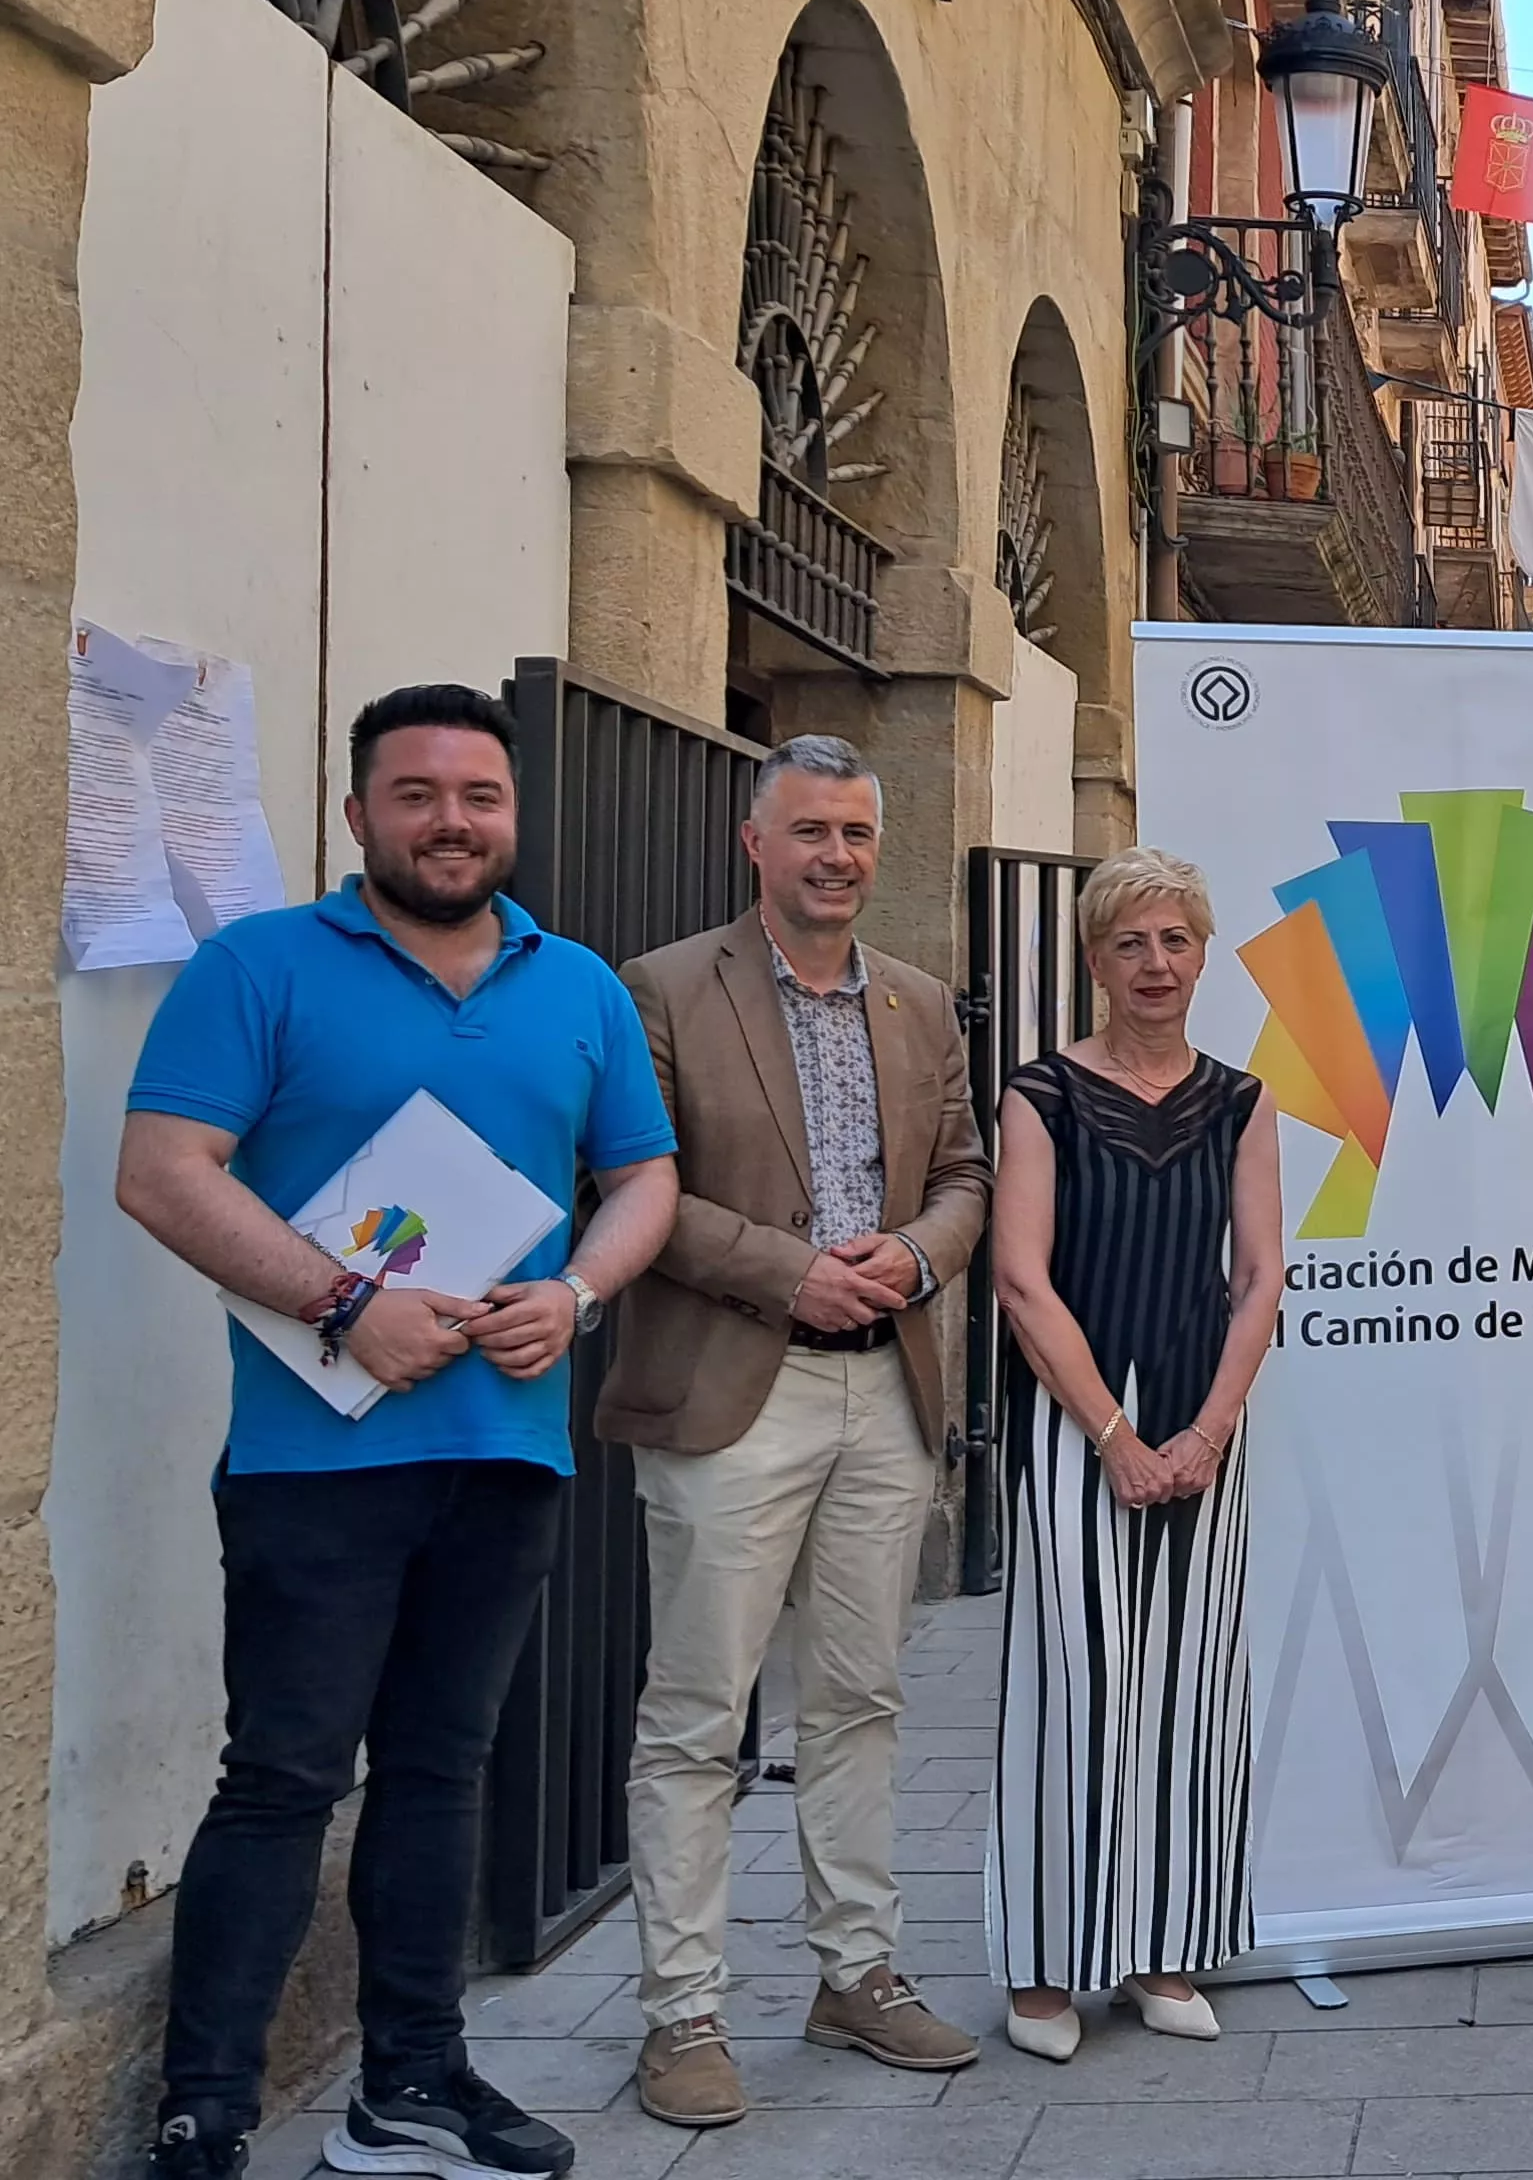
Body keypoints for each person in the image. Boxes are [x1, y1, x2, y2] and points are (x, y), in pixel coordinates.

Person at [118, 685, 682, 2180]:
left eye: (479, 797)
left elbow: (642, 1180)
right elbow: (164, 1170)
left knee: (442, 1770)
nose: (452, 821)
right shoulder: (260, 966)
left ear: (513, 815)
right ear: (359, 811)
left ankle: (412, 2085)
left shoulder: (581, 989)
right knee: (285, 1776)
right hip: (316, 1458)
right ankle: (207, 2107)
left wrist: (573, 1290)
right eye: (418, 794)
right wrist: (342, 1300)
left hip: (507, 1447)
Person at [604, 736, 990, 2127]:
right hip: (731, 1388)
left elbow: (962, 1170)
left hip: (884, 1385)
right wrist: (790, 1269)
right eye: (811, 831)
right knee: (700, 1714)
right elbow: (632, 1180)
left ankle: (856, 1973)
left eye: (858, 835)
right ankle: (683, 2011)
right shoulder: (660, 988)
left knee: (861, 1697)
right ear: (754, 841)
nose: (839, 857)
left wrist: (921, 1255)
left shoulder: (920, 1003)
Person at [985, 848, 1286, 2058]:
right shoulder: (1041, 1093)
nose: (1155, 965)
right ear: (1096, 960)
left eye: (1175, 940)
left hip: (1207, 1419)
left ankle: (1166, 1951)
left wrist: (1208, 1428)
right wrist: (1112, 1432)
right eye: (1130, 943)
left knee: (1193, 1687)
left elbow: (1263, 1273)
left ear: (1204, 953)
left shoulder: (1243, 1099)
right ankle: (1048, 1969)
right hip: (1074, 1423)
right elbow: (1018, 1276)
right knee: (1073, 1683)